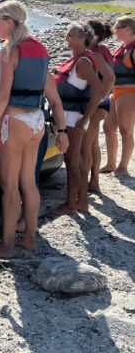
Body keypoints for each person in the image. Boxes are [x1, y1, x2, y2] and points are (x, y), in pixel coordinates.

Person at [0, 0, 68, 258]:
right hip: (36, 121)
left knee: (9, 186)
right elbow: (54, 98)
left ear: (10, 22)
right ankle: (29, 239)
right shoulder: (40, 49)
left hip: (13, 122)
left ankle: (6, 246)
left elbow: (2, 95)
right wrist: (61, 132)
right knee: (29, 183)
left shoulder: (10, 51)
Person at [52, 22, 104, 215]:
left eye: (71, 35)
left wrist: (85, 118)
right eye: (67, 34)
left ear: (83, 39)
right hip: (70, 116)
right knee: (75, 159)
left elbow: (99, 89)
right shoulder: (78, 60)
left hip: (74, 117)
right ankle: (81, 201)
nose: (67, 38)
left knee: (72, 160)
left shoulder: (83, 62)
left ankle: (71, 203)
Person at [83, 20, 115, 192]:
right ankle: (94, 182)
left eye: (84, 32)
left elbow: (110, 78)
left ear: (94, 36)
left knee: (85, 144)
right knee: (93, 143)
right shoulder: (100, 51)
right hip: (101, 104)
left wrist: (99, 98)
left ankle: (86, 183)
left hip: (98, 105)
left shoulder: (96, 54)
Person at [102, 15, 135, 176]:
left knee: (125, 130)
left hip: (130, 93)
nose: (115, 31)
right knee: (108, 127)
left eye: (117, 28)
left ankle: (123, 167)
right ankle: (111, 163)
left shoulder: (133, 49)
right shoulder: (123, 48)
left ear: (128, 29)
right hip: (116, 93)